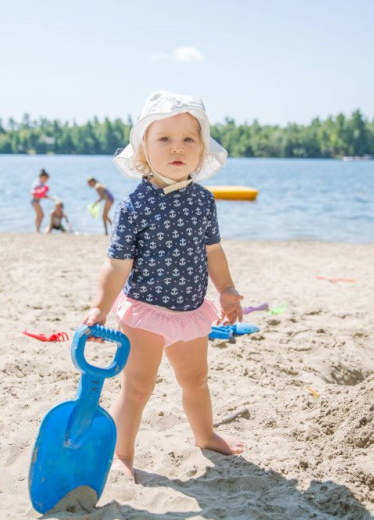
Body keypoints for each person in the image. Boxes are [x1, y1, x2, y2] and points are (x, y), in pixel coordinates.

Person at [82, 90, 246, 481]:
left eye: (189, 139)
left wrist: (226, 288)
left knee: (197, 381)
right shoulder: (134, 206)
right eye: (165, 139)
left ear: (202, 149)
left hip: (191, 312)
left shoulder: (204, 202)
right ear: (143, 151)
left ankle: (205, 435)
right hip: (145, 312)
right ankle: (122, 454)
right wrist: (99, 309)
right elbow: (117, 265)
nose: (178, 147)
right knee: (137, 389)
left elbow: (213, 251)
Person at [30, 169, 50, 233]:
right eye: (46, 178)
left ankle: (37, 229)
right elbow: (34, 194)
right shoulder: (38, 184)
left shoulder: (41, 184)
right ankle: (37, 229)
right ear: (43, 177)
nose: (46, 180)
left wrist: (51, 198)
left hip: (36, 201)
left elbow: (42, 195)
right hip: (35, 201)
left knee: (40, 215)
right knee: (41, 215)